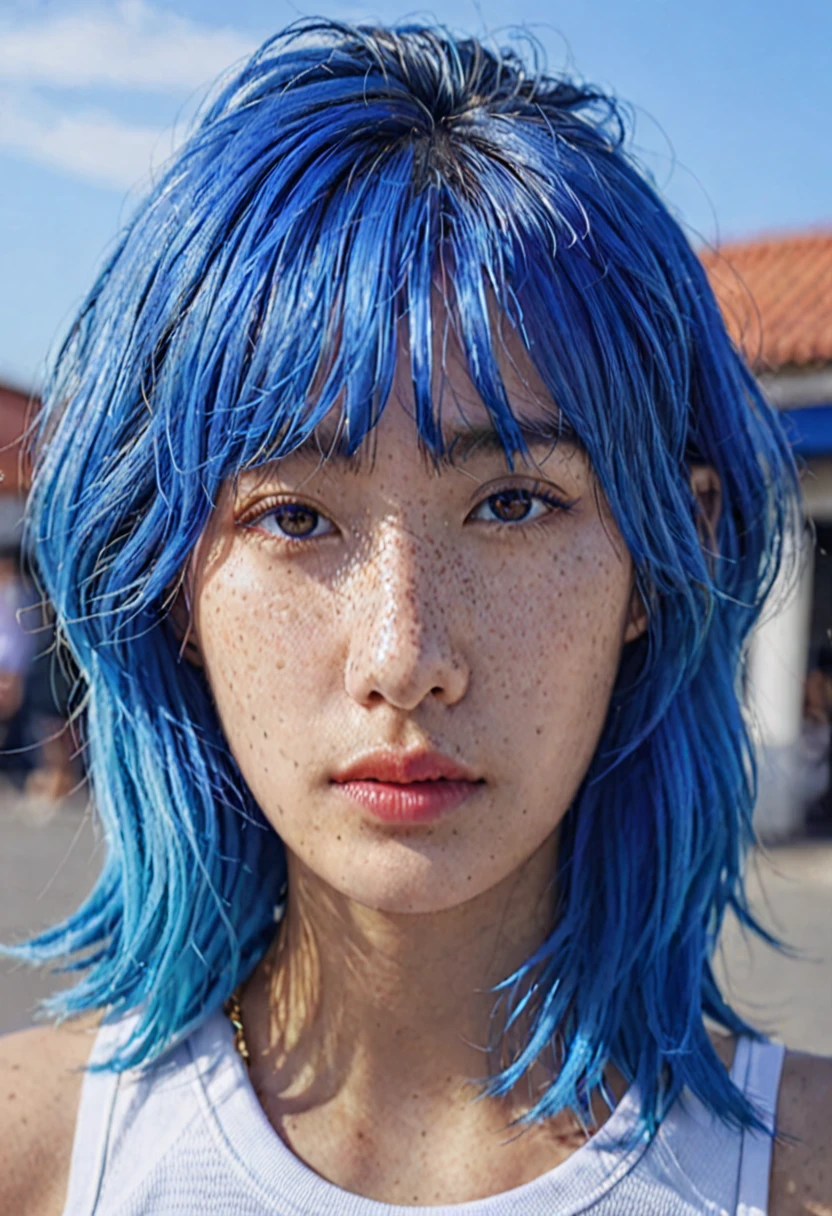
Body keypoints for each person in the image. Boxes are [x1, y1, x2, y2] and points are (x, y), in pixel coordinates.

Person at [1, 18, 829, 1215]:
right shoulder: (36, 1163)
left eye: (511, 503)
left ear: (668, 553)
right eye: (292, 518)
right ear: (173, 581)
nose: (404, 657)